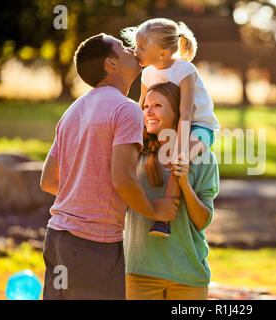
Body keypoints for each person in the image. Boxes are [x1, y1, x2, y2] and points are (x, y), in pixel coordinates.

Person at [39, 33, 179, 300]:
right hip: (94, 246)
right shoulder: (126, 110)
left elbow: (48, 180)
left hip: (56, 239)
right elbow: (123, 179)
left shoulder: (73, 110)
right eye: (124, 48)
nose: (132, 50)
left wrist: (85, 199)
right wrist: (154, 210)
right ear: (110, 64)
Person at [121, 18, 220, 237]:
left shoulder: (185, 70)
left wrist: (181, 150)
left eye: (142, 48)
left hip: (200, 126)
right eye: (136, 46)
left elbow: (185, 113)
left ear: (164, 53)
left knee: (177, 159)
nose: (136, 52)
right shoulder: (148, 73)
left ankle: (164, 220)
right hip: (170, 124)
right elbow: (142, 107)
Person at [124, 82, 219, 300]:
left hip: (188, 274)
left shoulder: (203, 159)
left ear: (177, 113)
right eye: (146, 106)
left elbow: (202, 221)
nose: (148, 112)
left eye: (157, 105)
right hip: (140, 271)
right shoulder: (134, 153)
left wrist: (184, 184)